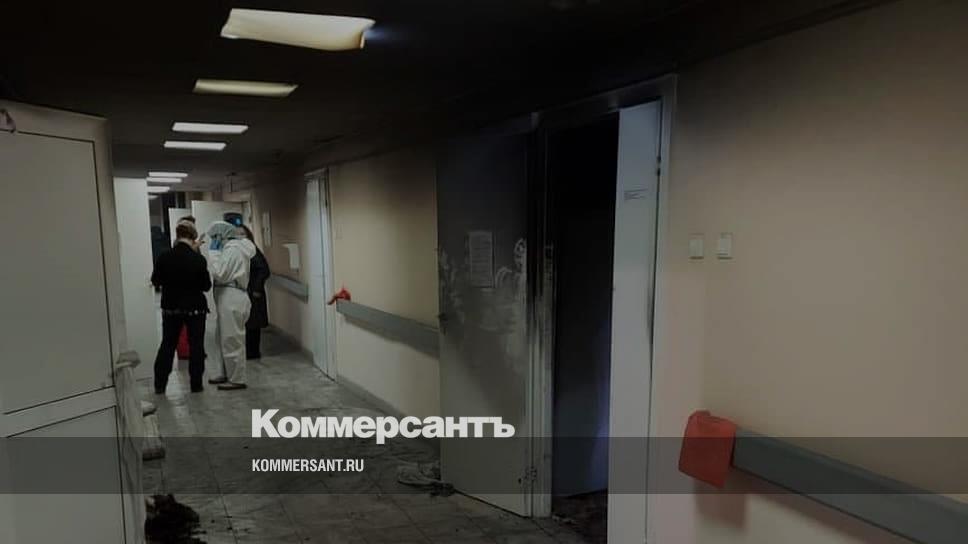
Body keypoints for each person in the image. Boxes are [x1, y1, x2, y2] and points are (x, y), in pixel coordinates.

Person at [150, 220, 211, 394]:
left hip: (171, 308)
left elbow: (155, 280)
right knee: (196, 345)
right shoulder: (198, 259)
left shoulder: (165, 257)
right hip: (195, 308)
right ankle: (196, 384)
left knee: (168, 345)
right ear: (193, 237)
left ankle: (160, 385)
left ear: (177, 235)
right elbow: (206, 286)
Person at [205, 221, 256, 390]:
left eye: (215, 237)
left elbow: (220, 273)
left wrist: (213, 253)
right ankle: (226, 373)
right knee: (223, 338)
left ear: (222, 235)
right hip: (229, 297)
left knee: (232, 339)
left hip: (232, 297)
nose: (214, 240)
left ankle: (236, 379)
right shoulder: (233, 249)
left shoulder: (233, 250)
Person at [239, 225, 271, 359]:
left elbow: (264, 270)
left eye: (242, 234)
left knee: (253, 323)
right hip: (245, 291)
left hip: (253, 292)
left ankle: (253, 353)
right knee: (247, 323)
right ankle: (249, 351)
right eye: (237, 235)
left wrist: (256, 288)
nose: (240, 237)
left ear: (248, 236)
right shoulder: (239, 251)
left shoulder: (252, 251)